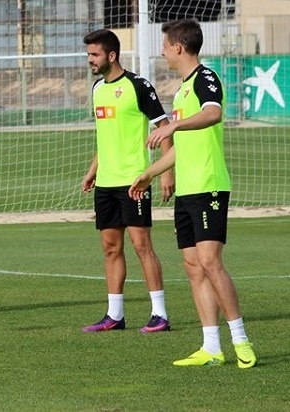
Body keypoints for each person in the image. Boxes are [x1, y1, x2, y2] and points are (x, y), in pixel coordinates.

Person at [129, 19, 257, 368]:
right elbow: (179, 148)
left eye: (165, 45)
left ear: (179, 48)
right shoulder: (183, 89)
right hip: (187, 189)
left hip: (209, 185)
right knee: (192, 267)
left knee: (211, 262)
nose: (162, 51)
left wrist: (172, 124)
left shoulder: (206, 78)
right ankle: (211, 347)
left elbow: (213, 114)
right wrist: (148, 174)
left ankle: (241, 340)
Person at [80, 29, 174, 334]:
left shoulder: (138, 86)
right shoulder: (97, 89)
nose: (90, 60)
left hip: (135, 181)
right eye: (88, 55)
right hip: (106, 182)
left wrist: (164, 172)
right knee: (110, 247)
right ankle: (115, 315)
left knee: (141, 245)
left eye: (94, 55)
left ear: (111, 55)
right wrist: (94, 168)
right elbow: (105, 136)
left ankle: (159, 314)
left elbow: (164, 127)